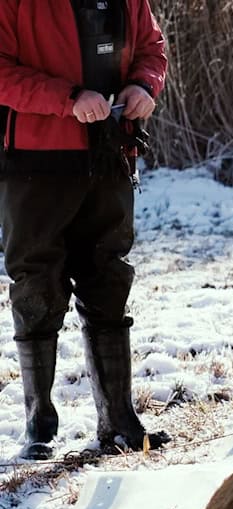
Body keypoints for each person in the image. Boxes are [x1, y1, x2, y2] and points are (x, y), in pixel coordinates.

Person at [0, 0, 171, 460]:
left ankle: (118, 421)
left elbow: (152, 48)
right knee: (36, 285)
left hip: (111, 153)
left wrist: (143, 85)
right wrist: (69, 98)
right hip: (35, 161)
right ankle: (39, 425)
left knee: (109, 279)